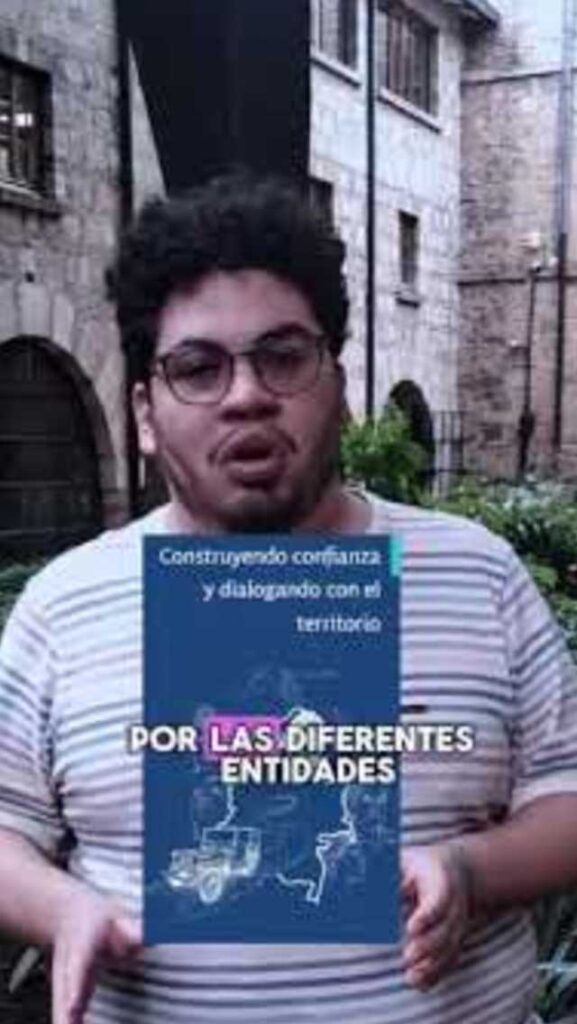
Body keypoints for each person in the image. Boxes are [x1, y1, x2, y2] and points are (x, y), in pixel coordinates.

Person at [0, 173, 576, 1024]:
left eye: (283, 356)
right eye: (197, 368)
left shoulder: (478, 574)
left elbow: (565, 794)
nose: (245, 394)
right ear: (146, 413)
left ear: (335, 383)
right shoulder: (63, 606)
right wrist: (62, 908)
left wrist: (469, 870)